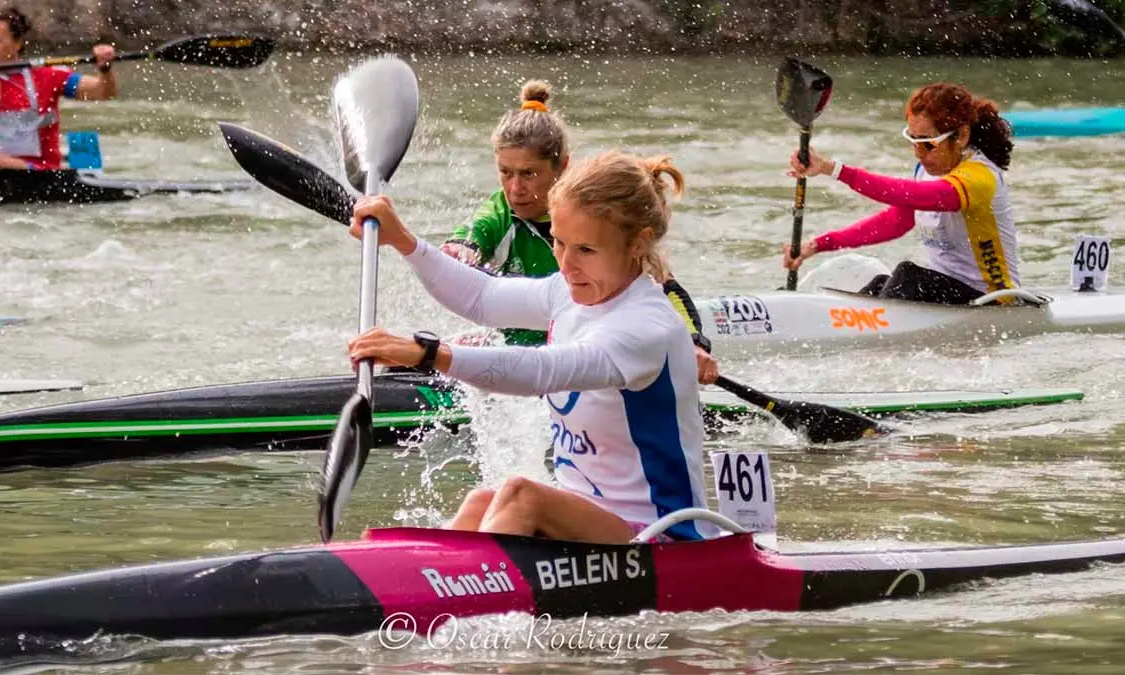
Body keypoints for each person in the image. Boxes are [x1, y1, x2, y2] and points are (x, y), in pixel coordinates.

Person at [348, 151, 715, 544]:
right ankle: (419, 588)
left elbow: (544, 370)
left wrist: (430, 354)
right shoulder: (568, 292)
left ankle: (462, 593)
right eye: (559, 242)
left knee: (522, 496)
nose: (567, 264)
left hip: (663, 537)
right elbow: (482, 296)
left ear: (638, 243)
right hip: (592, 525)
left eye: (586, 250)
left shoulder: (645, 326)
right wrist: (404, 241)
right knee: (481, 502)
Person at [441, 80, 718, 383]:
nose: (515, 189)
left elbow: (662, 284)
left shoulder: (594, 213)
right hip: (520, 354)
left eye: (529, 174)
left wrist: (692, 342)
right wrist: (460, 249)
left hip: (583, 356)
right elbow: (475, 232)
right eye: (505, 173)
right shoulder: (499, 213)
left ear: (562, 166)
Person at [783, 82, 1020, 305]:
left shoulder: (980, 177)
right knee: (879, 285)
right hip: (946, 293)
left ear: (961, 136)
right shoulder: (926, 170)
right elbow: (896, 221)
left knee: (907, 276)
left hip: (993, 301)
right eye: (913, 141)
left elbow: (912, 195)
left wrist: (833, 170)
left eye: (928, 143)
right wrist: (818, 244)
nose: (918, 153)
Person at [0, 6, 118, 171]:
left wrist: (105, 69)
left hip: (42, 171)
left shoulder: (48, 76)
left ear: (17, 43)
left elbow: (103, 92)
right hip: (1, 170)